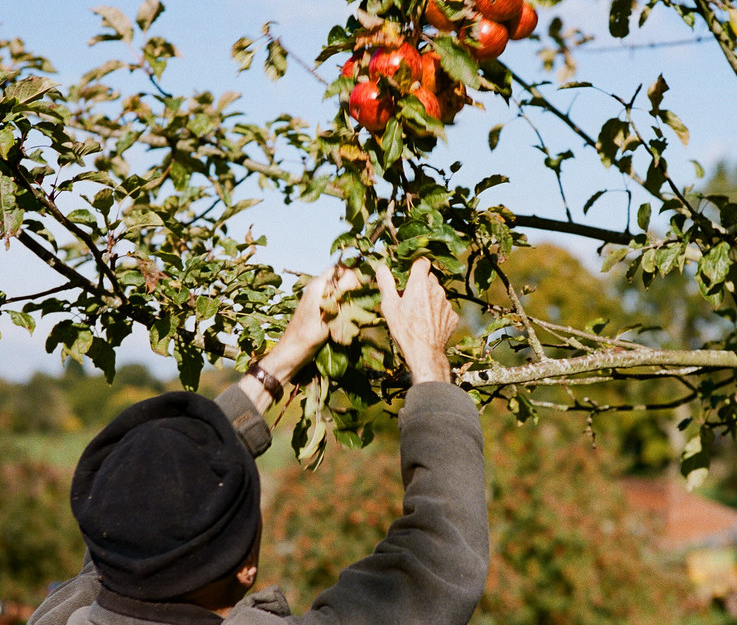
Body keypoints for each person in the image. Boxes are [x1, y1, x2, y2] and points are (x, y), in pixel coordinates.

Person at [27, 258, 489, 625]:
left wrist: (283, 359)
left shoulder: (63, 614)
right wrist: (430, 368)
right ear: (246, 568)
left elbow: (135, 511)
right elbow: (439, 566)